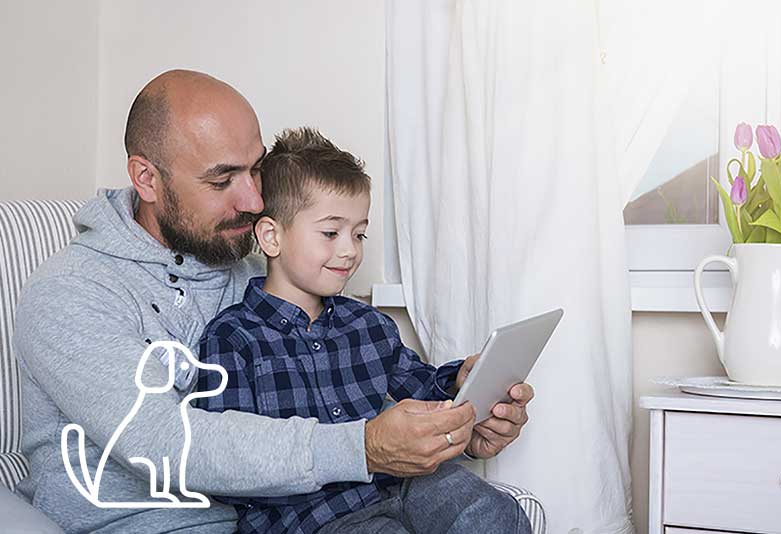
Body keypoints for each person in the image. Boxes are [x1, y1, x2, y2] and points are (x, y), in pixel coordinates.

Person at [13, 70, 533, 533]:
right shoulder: (71, 293)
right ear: (147, 178)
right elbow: (169, 445)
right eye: (222, 179)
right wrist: (366, 445)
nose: (254, 200)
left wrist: (461, 425)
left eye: (255, 170)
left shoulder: (252, 264)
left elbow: (350, 384)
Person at [195, 127, 531, 534]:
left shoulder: (369, 325)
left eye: (359, 234)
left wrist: (463, 382)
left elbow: (421, 386)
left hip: (399, 485)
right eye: (330, 233)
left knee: (493, 511)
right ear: (271, 236)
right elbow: (229, 460)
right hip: (312, 518)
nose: (350, 250)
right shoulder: (232, 338)